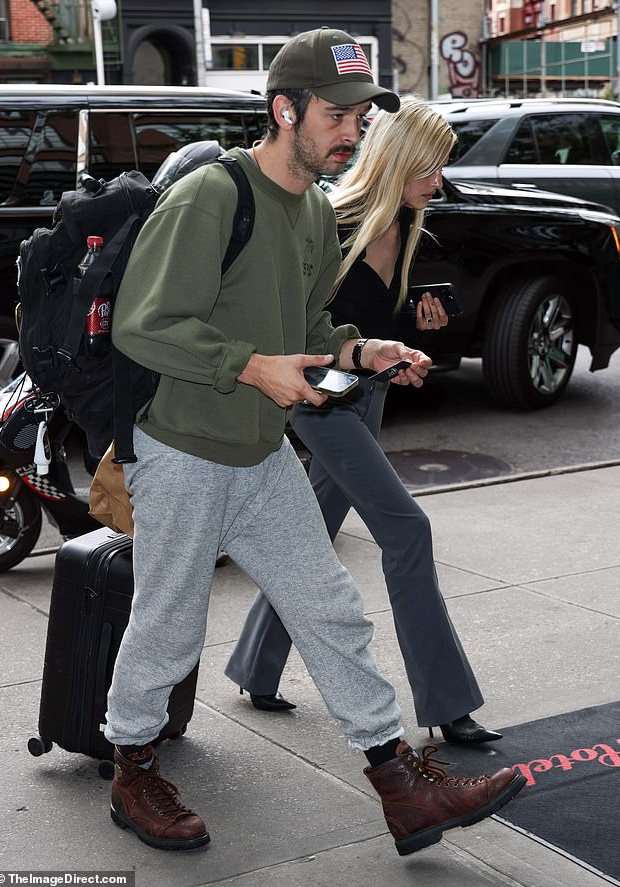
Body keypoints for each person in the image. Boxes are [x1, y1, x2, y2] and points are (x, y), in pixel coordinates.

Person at [105, 28, 525, 856]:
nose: (352, 132)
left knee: (330, 608)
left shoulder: (306, 209)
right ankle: (132, 767)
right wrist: (251, 366)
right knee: (169, 623)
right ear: (284, 109)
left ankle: (400, 785)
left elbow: (306, 329)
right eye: (337, 115)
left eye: (362, 118)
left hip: (261, 454)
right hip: (186, 447)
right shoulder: (212, 196)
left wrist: (363, 351)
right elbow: (141, 325)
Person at [225, 95, 501, 746]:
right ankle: (447, 701)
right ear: (400, 160)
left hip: (364, 394)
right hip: (321, 400)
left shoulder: (405, 228)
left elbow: (371, 325)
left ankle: (255, 665)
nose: (441, 182)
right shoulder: (333, 220)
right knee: (408, 531)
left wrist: (406, 340)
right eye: (431, 168)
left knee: (313, 539)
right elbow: (295, 320)